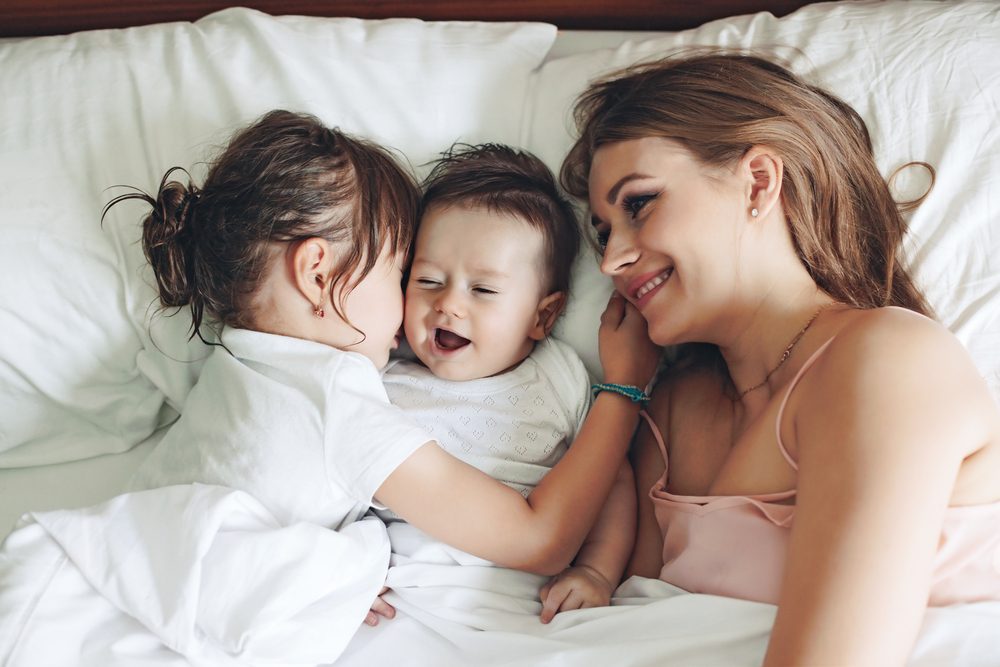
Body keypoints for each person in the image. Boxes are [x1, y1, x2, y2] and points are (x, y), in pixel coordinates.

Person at [107, 111, 659, 629]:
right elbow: (536, 540)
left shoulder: (231, 366)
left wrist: (302, 576)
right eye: (405, 274)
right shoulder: (344, 399)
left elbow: (240, 505)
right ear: (318, 275)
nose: (420, 307)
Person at [559, 53, 1000, 666]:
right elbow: (622, 636)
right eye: (604, 233)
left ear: (760, 182)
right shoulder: (668, 411)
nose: (611, 261)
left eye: (638, 204)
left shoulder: (888, 358)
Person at [380, 143, 637, 624]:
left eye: (483, 290)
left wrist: (599, 572)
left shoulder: (558, 377)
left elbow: (611, 477)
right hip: (408, 593)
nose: (449, 305)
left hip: (525, 602)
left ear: (543, 315)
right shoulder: (384, 377)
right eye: (429, 281)